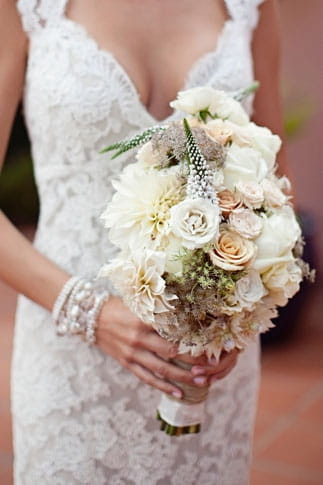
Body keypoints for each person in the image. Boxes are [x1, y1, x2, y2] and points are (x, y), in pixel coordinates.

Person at [0, 0, 288, 483]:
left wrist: (240, 319)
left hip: (207, 368)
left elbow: (276, 183)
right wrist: (90, 312)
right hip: (71, 356)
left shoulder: (251, 6)